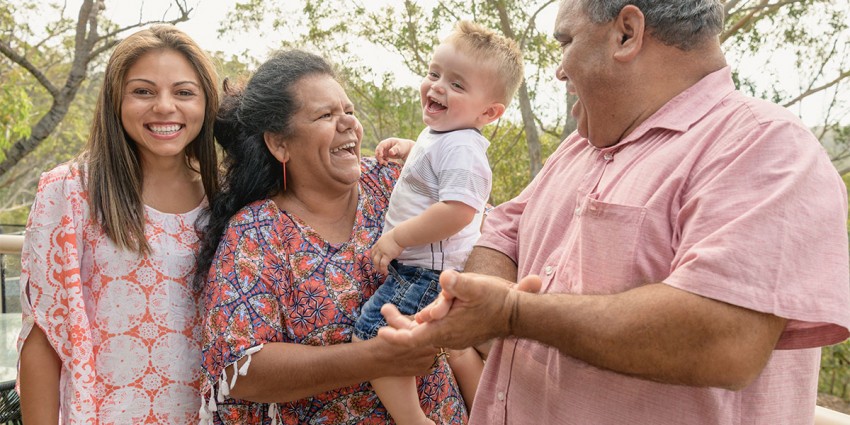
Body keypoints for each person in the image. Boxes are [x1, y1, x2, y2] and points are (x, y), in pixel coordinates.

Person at [380, 0, 850, 424]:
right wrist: (476, 303)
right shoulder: (579, 147)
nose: (560, 70)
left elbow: (728, 341)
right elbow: (502, 233)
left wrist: (513, 314)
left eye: (567, 41)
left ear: (627, 32)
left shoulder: (764, 145)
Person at [195, 48, 466, 424]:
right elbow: (241, 368)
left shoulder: (396, 182)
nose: (348, 123)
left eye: (349, 111)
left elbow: (481, 230)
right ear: (280, 144)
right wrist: (375, 358)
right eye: (325, 115)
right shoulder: (257, 233)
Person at [15, 25, 220, 424]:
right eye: (143, 91)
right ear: (115, 100)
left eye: (184, 92)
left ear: (206, 102)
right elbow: (44, 333)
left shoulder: (225, 198)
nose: (164, 107)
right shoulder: (69, 191)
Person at [352, 20, 524, 425]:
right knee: (456, 348)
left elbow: (459, 210)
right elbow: (437, 168)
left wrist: (398, 237)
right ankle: (489, 414)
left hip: (425, 273)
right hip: (433, 271)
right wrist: (411, 149)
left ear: (489, 112)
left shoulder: (463, 147)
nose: (437, 86)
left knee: (374, 336)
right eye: (434, 73)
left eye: (456, 84)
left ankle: (413, 419)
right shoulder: (446, 135)